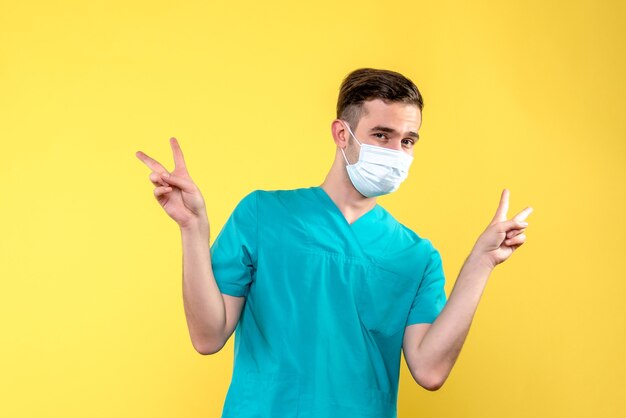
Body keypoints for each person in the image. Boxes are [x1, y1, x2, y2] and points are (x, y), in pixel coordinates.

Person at [136, 68, 533, 418]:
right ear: (342, 133)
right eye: (382, 135)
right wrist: (192, 230)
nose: (396, 153)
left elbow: (430, 372)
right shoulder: (263, 215)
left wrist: (481, 263)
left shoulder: (416, 257)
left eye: (408, 141)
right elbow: (208, 336)